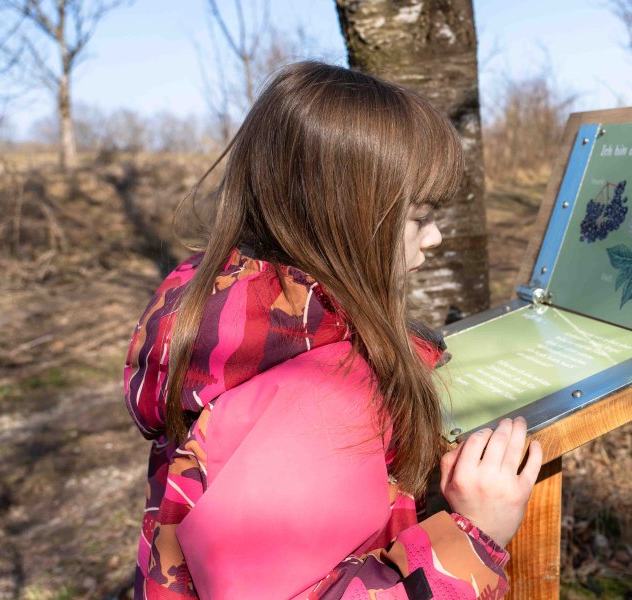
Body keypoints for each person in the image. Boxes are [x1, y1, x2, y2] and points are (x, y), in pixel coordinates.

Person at [123, 61, 543, 599]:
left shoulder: (227, 319)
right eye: (417, 218)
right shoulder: (321, 396)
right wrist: (474, 534)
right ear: (348, 219)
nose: (434, 238)